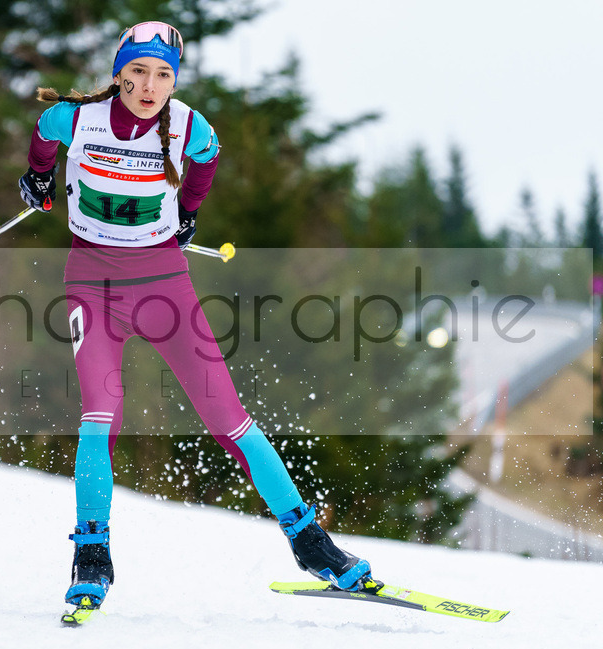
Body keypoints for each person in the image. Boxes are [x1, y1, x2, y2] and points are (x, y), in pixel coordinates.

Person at [19, 21, 372, 611]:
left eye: (162, 75)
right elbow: (41, 134)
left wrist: (189, 213)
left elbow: (206, 158)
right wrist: (36, 178)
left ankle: (310, 542)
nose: (148, 86)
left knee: (228, 417)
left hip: (164, 286)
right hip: (93, 285)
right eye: (136, 72)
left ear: (174, 81)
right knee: (100, 412)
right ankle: (91, 555)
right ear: (118, 73)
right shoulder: (76, 119)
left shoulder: (188, 125)